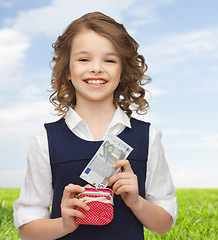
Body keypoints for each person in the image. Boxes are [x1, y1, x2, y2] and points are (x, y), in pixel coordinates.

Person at [13, 12, 177, 240]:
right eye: (84, 59)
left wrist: (136, 201)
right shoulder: (44, 141)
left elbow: (163, 224)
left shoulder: (148, 137)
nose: (97, 68)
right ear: (68, 70)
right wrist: (64, 224)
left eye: (109, 60)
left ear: (123, 71)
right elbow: (27, 230)